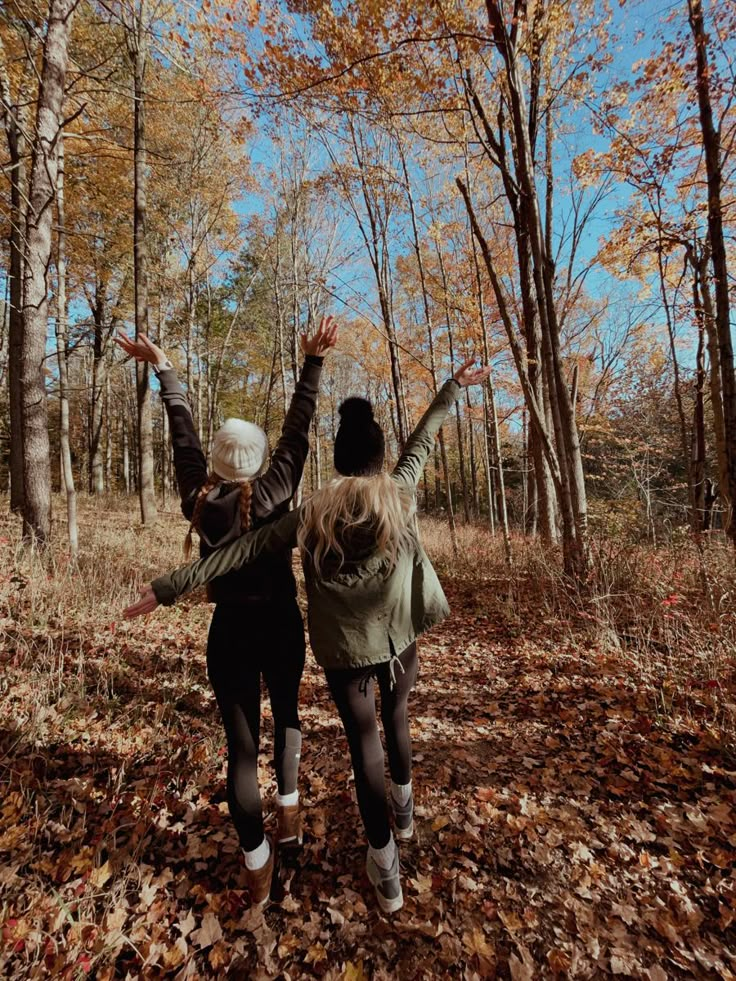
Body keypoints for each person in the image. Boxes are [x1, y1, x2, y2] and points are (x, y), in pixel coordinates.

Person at [124, 357, 491, 913]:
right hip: (397, 644)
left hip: (346, 656)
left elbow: (239, 551)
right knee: (396, 720)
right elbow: (420, 446)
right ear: (377, 458)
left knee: (365, 746)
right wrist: (450, 390)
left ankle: (386, 869)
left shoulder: (312, 512)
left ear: (339, 459)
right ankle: (405, 812)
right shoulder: (399, 493)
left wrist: (170, 587)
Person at [115, 316, 338, 907]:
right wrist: (311, 363)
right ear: (262, 462)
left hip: (231, 634)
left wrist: (165, 369)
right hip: (283, 625)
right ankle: (288, 811)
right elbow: (298, 431)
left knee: (241, 750)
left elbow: (182, 438)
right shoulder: (274, 493)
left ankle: (257, 862)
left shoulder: (198, 499)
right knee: (288, 712)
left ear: (215, 464)